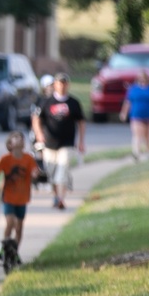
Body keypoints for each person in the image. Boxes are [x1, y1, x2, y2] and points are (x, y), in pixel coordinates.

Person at [31, 73, 85, 210]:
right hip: (49, 143)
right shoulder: (46, 102)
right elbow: (36, 118)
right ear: (55, 84)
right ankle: (56, 196)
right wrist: (39, 134)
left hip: (67, 143)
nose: (61, 86)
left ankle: (61, 199)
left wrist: (81, 141)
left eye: (64, 83)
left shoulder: (73, 103)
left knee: (62, 170)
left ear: (67, 85)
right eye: (59, 83)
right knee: (52, 172)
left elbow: (81, 122)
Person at [0, 131, 40, 262]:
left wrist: (35, 174)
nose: (19, 139)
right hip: (8, 197)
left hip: (22, 198)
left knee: (19, 227)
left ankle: (15, 250)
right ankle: (5, 246)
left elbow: (34, 170)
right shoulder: (6, 159)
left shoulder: (28, 159)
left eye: (21, 138)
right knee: (10, 222)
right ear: (10, 144)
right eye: (15, 137)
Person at [119, 69, 149, 161]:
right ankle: (136, 152)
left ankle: (148, 152)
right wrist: (124, 113)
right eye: (140, 78)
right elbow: (127, 102)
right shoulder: (133, 89)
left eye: (144, 78)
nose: (142, 80)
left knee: (147, 135)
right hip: (136, 115)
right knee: (137, 135)